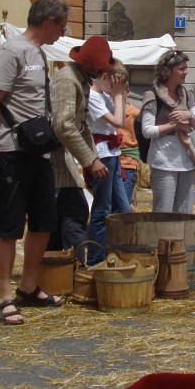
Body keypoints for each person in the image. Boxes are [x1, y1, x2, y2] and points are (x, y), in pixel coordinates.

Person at [0, 0, 69, 326]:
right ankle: (4, 298)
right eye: (62, 26)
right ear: (49, 22)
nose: (63, 32)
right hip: (10, 150)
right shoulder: (10, 52)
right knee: (10, 225)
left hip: (38, 150)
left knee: (44, 221)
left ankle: (28, 287)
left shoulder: (39, 53)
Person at [50, 36, 116, 266]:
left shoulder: (80, 81)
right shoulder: (67, 80)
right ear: (90, 65)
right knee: (72, 213)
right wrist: (91, 160)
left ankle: (61, 270)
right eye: (101, 67)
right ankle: (73, 269)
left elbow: (82, 125)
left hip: (65, 158)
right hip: (54, 158)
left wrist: (93, 158)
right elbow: (63, 125)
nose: (103, 72)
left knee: (64, 216)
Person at [140, 50, 195, 214]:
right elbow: (147, 131)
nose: (186, 72)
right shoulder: (152, 95)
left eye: (186, 68)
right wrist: (175, 125)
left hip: (186, 163)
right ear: (167, 71)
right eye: (182, 68)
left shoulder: (186, 94)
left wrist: (188, 115)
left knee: (184, 213)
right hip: (164, 161)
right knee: (163, 213)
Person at [86, 57, 128, 261]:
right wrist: (117, 96)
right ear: (104, 77)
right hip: (102, 154)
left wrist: (120, 96)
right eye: (114, 83)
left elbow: (122, 118)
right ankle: (96, 258)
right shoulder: (92, 97)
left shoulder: (104, 95)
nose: (115, 88)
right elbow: (118, 121)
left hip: (113, 154)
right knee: (102, 209)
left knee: (122, 208)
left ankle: (115, 252)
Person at [113, 61, 141, 212]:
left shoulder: (135, 113)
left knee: (123, 203)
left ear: (127, 92)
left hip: (128, 162)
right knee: (114, 202)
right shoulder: (107, 111)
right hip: (111, 161)